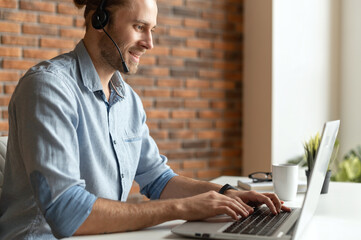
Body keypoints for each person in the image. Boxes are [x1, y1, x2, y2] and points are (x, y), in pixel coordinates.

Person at [0, 0, 290, 239]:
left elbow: (159, 179)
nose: (149, 43)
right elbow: (67, 212)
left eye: (152, 30)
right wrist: (184, 208)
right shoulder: (48, 88)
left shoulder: (128, 101)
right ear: (99, 19)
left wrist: (228, 195)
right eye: (139, 27)